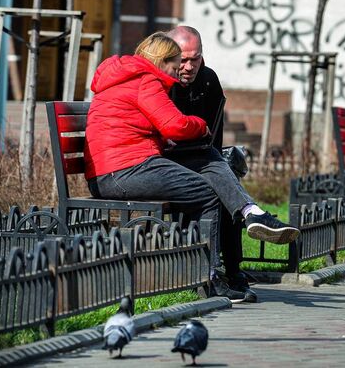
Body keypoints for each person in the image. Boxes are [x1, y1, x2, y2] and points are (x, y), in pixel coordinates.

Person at [84, 32, 298, 302]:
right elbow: (175, 125)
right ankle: (208, 276)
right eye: (176, 66)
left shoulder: (132, 75)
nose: (178, 74)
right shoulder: (146, 80)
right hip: (123, 171)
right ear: (162, 61)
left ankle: (250, 214)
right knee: (207, 191)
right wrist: (201, 125)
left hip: (122, 167)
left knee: (207, 159)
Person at [167, 26, 258, 303]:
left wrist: (214, 164)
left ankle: (233, 270)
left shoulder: (208, 80)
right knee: (217, 188)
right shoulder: (161, 82)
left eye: (195, 59)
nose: (189, 67)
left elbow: (214, 136)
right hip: (165, 161)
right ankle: (212, 271)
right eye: (183, 60)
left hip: (199, 156)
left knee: (225, 180)